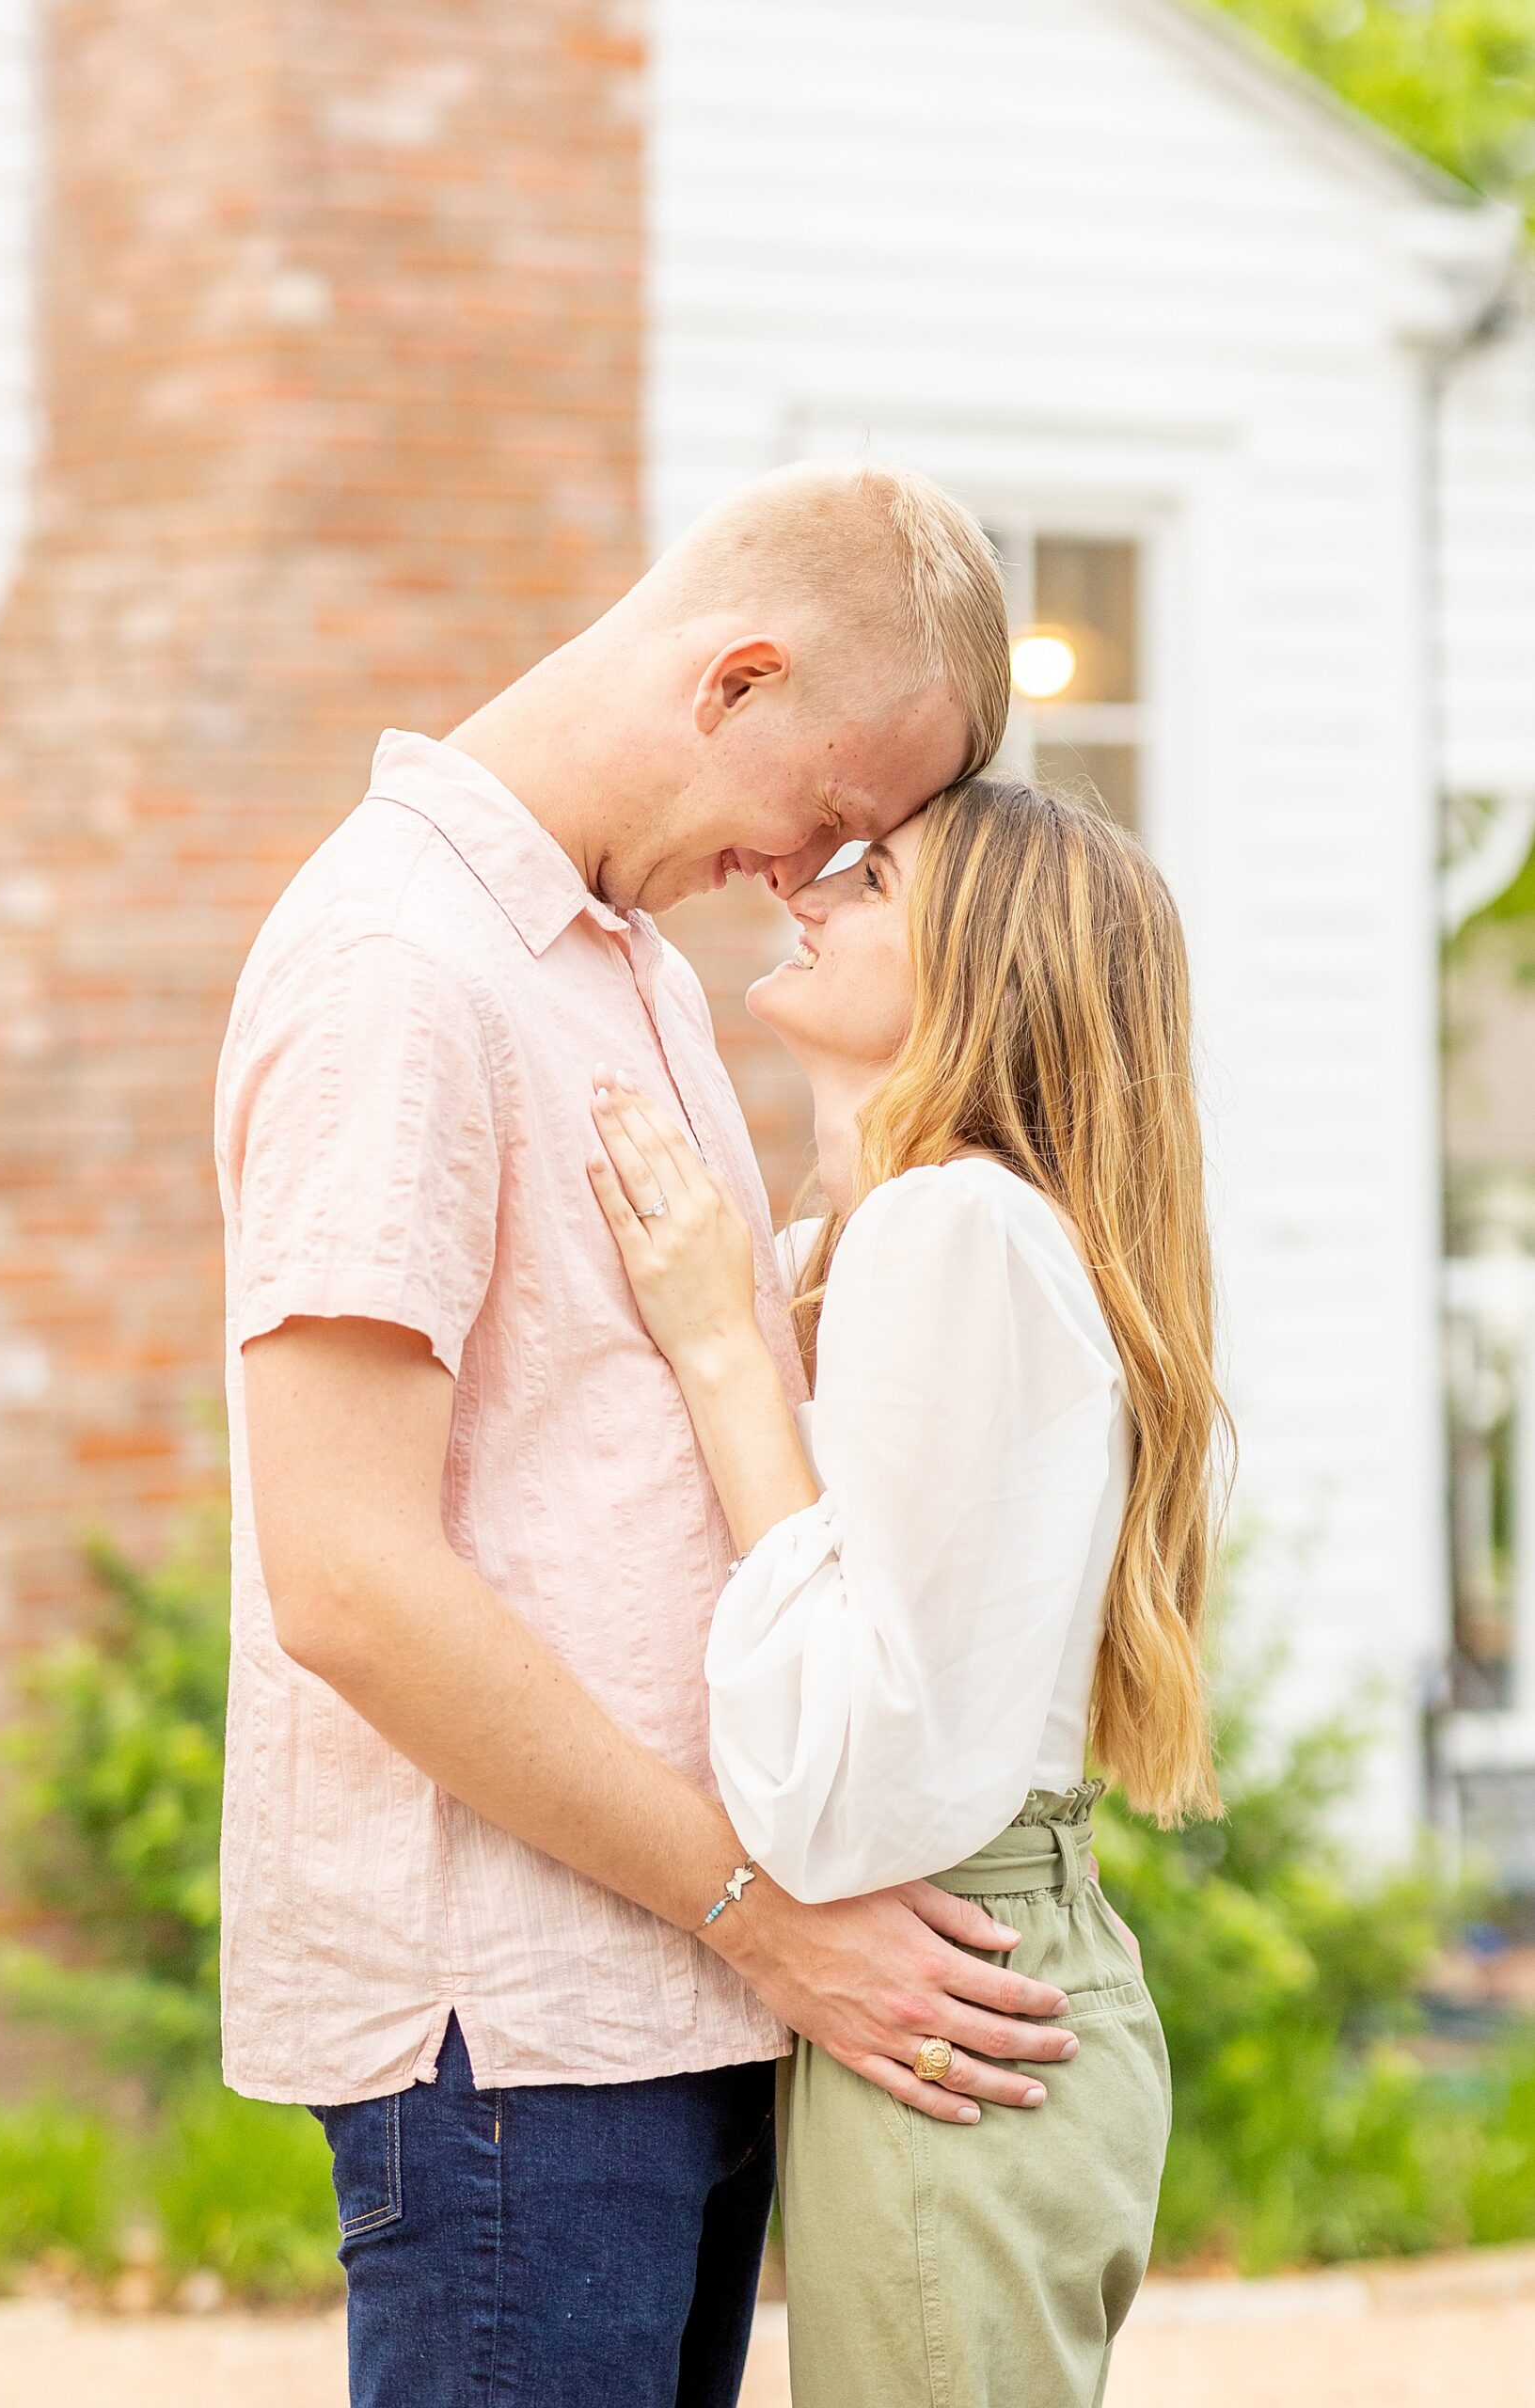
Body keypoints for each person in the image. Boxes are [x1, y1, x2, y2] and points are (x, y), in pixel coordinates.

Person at [215, 462, 1080, 2408]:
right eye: (829, 814)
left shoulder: (627, 972)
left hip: (675, 2008)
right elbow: (345, 1580)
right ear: (734, 680)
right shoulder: (399, 968)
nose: (805, 875)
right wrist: (764, 1918)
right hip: (521, 2053)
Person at [588, 774, 1229, 2408]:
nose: (804, 889)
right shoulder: (935, 1231)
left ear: (982, 966)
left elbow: (847, 1780)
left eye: (870, 880)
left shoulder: (953, 1225)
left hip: (948, 1955)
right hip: (991, 1945)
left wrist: (721, 1350)